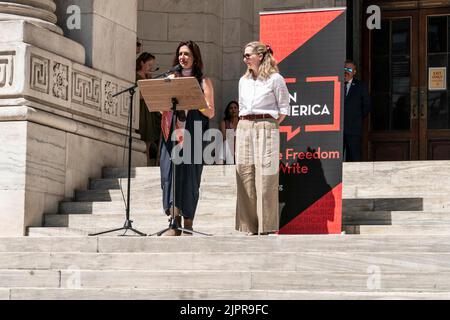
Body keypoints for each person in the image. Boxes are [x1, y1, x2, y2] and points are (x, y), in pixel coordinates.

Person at [160, 40, 215, 236]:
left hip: (193, 135)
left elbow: (210, 112)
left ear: (195, 58)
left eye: (187, 54)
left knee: (190, 178)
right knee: (169, 176)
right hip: (171, 136)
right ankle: (173, 223)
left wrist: (195, 101)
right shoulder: (169, 78)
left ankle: (188, 224)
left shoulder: (203, 81)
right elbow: (161, 107)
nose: (183, 57)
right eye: (181, 54)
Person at [235, 41, 289, 236]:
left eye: (248, 55)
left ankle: (266, 226)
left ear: (260, 56)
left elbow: (283, 109)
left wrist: (269, 124)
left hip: (266, 124)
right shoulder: (243, 80)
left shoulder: (276, 79)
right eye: (244, 55)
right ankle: (249, 225)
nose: (245, 58)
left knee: (266, 176)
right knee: (244, 173)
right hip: (244, 125)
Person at [136, 52, 162, 166]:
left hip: (150, 111)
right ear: (142, 63)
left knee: (149, 140)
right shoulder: (135, 76)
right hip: (141, 111)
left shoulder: (147, 77)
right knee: (142, 136)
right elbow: (138, 95)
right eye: (149, 65)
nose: (151, 68)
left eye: (152, 65)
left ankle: (147, 164)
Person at [343, 60, 371, 162]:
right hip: (338, 130)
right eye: (344, 68)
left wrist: (357, 118)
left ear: (354, 72)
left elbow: (367, 106)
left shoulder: (360, 86)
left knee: (354, 157)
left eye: (349, 69)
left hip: (353, 129)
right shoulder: (336, 84)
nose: (346, 71)